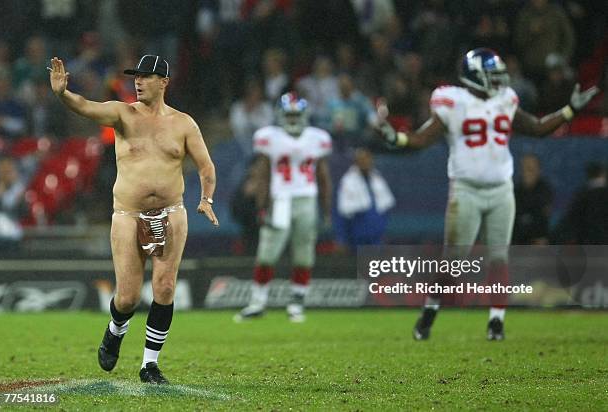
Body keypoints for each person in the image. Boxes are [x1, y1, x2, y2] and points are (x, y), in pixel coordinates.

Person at [378, 48, 599, 341]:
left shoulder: (505, 100)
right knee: (453, 262)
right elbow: (423, 138)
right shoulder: (454, 102)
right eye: (492, 75)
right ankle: (430, 311)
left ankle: (496, 322)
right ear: (474, 76)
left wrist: (569, 110)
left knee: (499, 258)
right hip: (466, 191)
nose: (498, 81)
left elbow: (535, 127)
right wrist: (399, 138)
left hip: (500, 190)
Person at [49, 55, 219, 384]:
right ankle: (115, 330)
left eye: (146, 76)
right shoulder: (122, 113)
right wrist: (62, 94)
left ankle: (149, 365)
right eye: (136, 76)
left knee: (165, 287)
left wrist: (206, 199)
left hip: (171, 212)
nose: (138, 81)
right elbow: (85, 106)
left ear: (164, 82)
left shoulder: (184, 123)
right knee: (127, 296)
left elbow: (206, 166)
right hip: (128, 213)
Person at [234, 92, 332, 323]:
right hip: (281, 200)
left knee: (304, 253)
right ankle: (258, 302)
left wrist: (326, 209)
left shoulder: (317, 138)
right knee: (268, 252)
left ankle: (297, 303)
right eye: (289, 114)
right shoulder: (270, 137)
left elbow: (324, 176)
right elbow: (263, 174)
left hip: (307, 198)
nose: (293, 119)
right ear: (280, 115)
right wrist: (261, 206)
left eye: (296, 114)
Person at [334, 148, 395, 251]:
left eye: (367, 159)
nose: (365, 162)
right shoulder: (348, 181)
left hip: (376, 233)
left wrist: (383, 229)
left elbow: (386, 205)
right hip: (358, 233)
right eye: (361, 159)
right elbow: (343, 211)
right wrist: (342, 238)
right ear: (356, 162)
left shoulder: (377, 178)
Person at [513, 154, 553, 245]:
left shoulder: (545, 191)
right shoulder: (515, 192)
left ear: (539, 170)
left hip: (538, 242)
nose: (527, 173)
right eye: (524, 169)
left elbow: (541, 217)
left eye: (530, 169)